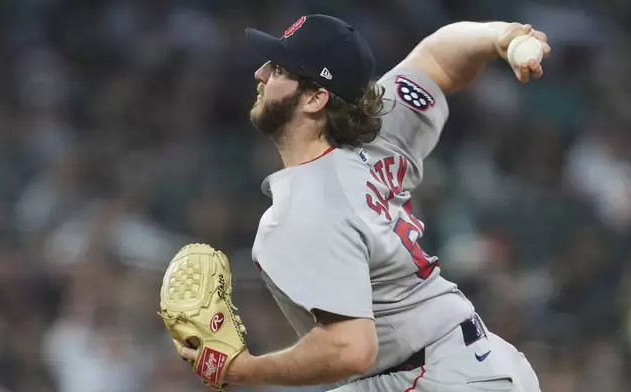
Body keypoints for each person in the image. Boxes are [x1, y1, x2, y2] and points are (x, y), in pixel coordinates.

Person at [181, 14, 550, 391]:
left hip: (437, 377)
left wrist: (242, 369)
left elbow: (350, 350)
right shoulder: (378, 133)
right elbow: (438, 58)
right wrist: (500, 37)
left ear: (314, 97)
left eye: (277, 69)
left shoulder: (303, 210)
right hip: (478, 364)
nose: (260, 73)